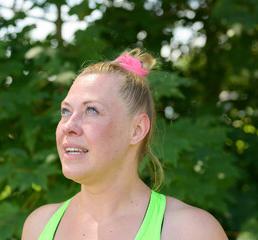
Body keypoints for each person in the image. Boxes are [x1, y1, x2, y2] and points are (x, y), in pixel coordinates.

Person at [22, 48, 228, 240]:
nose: (68, 126)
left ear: (136, 130)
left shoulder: (190, 231)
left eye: (91, 110)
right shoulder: (39, 226)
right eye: (66, 111)